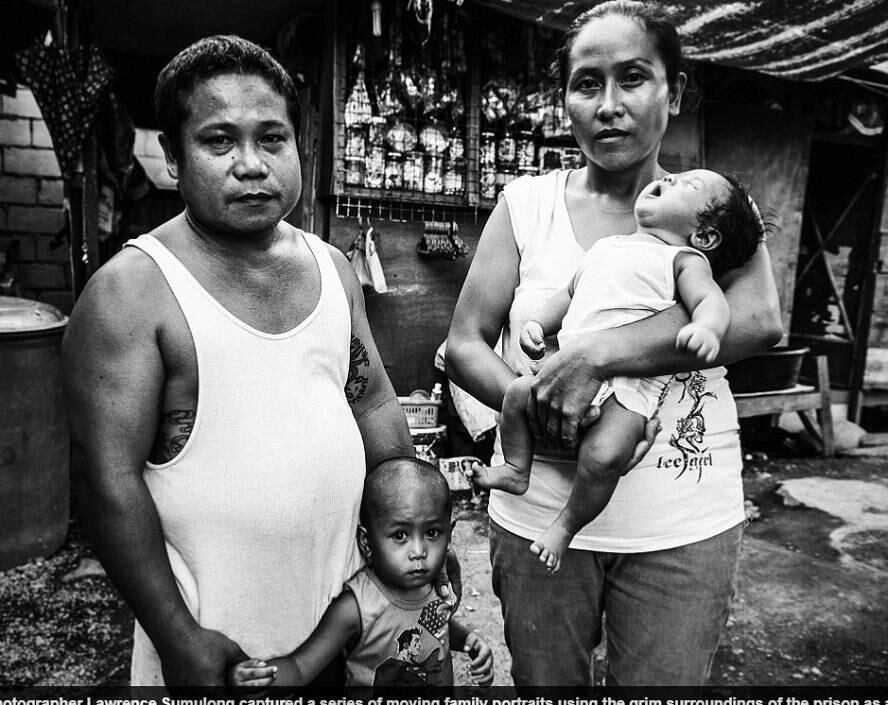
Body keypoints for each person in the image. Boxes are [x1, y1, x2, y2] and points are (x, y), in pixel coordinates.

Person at [61, 35, 435, 688]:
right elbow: (104, 482)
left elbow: (372, 400)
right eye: (218, 141)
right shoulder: (134, 290)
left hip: (341, 623)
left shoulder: (332, 268)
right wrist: (178, 635)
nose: (251, 164)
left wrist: (417, 536)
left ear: (299, 146)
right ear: (174, 158)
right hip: (218, 640)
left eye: (271, 138)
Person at [446, 0, 783, 687]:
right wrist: (539, 403)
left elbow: (755, 321)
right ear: (565, 98)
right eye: (586, 83)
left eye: (633, 78)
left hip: (682, 526)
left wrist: (595, 354)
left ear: (675, 91)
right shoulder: (526, 203)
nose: (608, 105)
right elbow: (465, 344)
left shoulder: (710, 205)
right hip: (539, 512)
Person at [472, 168, 762, 573]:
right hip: (563, 376)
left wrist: (707, 328)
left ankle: (566, 526)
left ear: (705, 236)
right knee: (517, 395)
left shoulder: (683, 260)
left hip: (628, 388)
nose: (673, 178)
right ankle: (518, 469)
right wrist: (538, 325)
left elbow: (711, 300)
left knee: (606, 455)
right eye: (677, 176)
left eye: (689, 186)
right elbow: (569, 293)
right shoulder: (609, 247)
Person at [228, 457, 494, 690]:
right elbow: (300, 667)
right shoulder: (358, 606)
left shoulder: (433, 586)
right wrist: (261, 679)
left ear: (449, 535)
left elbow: (436, 627)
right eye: (400, 535)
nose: (419, 551)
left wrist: (469, 639)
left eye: (432, 533)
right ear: (367, 543)